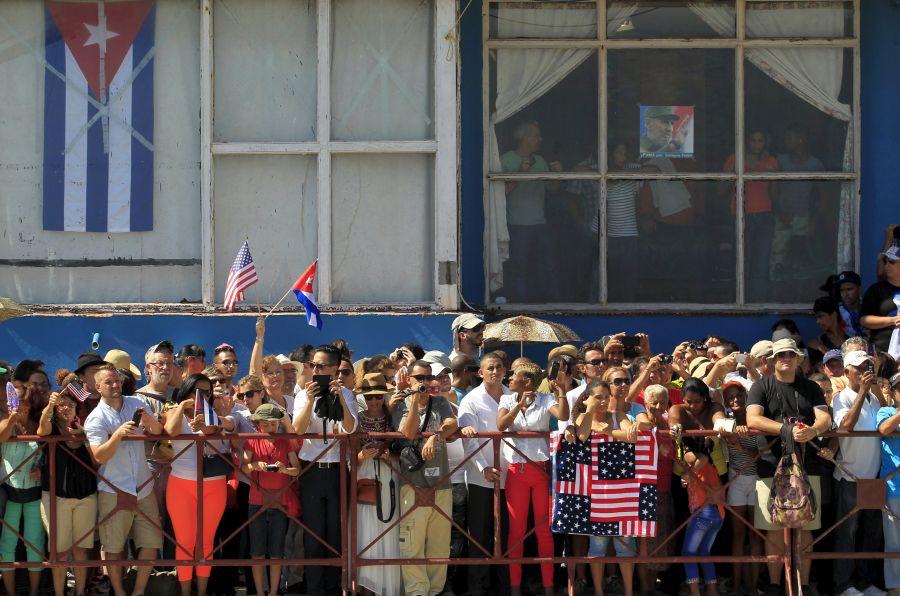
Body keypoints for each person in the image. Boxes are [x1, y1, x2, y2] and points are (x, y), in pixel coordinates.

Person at [746, 338, 832, 596]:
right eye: (781, 354)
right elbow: (753, 418)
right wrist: (787, 430)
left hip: (808, 465)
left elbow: (825, 417)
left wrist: (814, 430)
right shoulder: (761, 386)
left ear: (799, 359)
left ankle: (802, 585)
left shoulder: (812, 387)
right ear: (772, 360)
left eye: (791, 354)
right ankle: (775, 585)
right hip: (770, 465)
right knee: (772, 529)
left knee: (805, 529)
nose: (786, 358)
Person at [84, 364, 165, 596]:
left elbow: (158, 432)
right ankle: (119, 592)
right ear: (98, 387)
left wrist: (151, 423)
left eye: (117, 380)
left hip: (143, 486)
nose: (115, 385)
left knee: (151, 542)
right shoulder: (95, 418)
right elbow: (100, 456)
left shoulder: (136, 403)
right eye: (108, 382)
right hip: (114, 489)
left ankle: (138, 591)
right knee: (113, 547)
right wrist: (118, 435)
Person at [292, 344, 359, 596]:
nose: (314, 370)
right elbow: (297, 430)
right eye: (312, 365)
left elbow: (351, 428)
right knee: (313, 532)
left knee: (335, 532)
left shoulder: (347, 395)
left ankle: (334, 587)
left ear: (333, 369)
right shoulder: (302, 394)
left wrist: (340, 396)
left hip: (337, 469)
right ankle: (315, 588)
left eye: (320, 366)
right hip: (311, 468)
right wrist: (310, 400)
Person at [497, 361, 568, 596]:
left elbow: (563, 416)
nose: (508, 378)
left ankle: (548, 587)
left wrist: (562, 393)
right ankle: (515, 588)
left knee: (543, 530)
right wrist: (518, 405)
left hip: (541, 471)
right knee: (516, 531)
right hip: (516, 472)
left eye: (513, 375)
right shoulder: (507, 399)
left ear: (527, 381)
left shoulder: (546, 400)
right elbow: (501, 425)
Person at [163, 373, 236, 596]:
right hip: (181, 485)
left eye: (206, 392)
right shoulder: (171, 411)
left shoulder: (213, 413)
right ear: (186, 391)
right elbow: (171, 432)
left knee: (206, 543)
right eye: (197, 391)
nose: (202, 395)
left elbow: (212, 431)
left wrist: (205, 421)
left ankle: (202, 592)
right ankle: (186, 593)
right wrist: (182, 407)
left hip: (213, 485)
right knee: (184, 543)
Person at [393, 360, 459, 596]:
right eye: (419, 378)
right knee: (412, 544)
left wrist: (435, 435)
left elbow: (452, 423)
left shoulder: (440, 401)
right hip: (412, 483)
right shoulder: (399, 405)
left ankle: (434, 591)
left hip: (441, 483)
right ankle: (417, 592)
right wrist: (413, 402)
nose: (424, 382)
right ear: (409, 379)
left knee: (440, 546)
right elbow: (407, 434)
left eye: (427, 378)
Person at [573, 380, 637, 596]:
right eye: (597, 397)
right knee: (597, 544)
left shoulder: (618, 415)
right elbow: (582, 435)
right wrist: (590, 415)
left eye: (605, 396)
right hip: (596, 492)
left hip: (623, 489)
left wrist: (605, 431)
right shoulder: (583, 416)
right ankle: (599, 592)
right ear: (586, 398)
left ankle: (628, 591)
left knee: (625, 544)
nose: (602, 401)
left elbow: (632, 436)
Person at [832, 351, 887, 596]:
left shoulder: (874, 399)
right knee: (848, 532)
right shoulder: (841, 397)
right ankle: (844, 584)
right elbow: (845, 428)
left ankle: (866, 581)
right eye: (859, 367)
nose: (865, 370)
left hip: (874, 476)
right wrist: (863, 392)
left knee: (872, 531)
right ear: (846, 372)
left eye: (868, 365)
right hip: (850, 476)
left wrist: (874, 393)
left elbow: (886, 423)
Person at [458, 351, 512, 596]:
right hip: (481, 478)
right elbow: (469, 440)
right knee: (480, 536)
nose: (495, 371)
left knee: (506, 536)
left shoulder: (513, 396)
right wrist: (483, 468)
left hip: (511, 477)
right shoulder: (471, 400)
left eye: (499, 367)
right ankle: (477, 589)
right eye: (490, 367)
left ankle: (503, 587)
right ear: (480, 372)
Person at [37, 389, 98, 596]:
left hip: (85, 496)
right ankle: (59, 592)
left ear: (77, 408)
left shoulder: (85, 427)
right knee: (60, 551)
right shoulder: (52, 427)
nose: (66, 408)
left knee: (81, 549)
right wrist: (48, 408)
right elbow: (42, 431)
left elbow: (96, 460)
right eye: (61, 405)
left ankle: (80, 592)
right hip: (56, 497)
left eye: (70, 405)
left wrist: (84, 436)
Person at [240, 403, 300, 596]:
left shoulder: (285, 441)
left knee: (276, 552)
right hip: (256, 500)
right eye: (265, 425)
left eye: (273, 424)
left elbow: (297, 469)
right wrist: (256, 465)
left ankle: (273, 592)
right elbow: (243, 468)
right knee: (257, 551)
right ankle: (260, 592)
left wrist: (283, 469)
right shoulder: (252, 441)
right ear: (258, 424)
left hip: (279, 501)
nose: (269, 428)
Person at [500, 121, 562, 302]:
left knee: (547, 265)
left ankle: (552, 303)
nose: (540, 139)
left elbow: (552, 189)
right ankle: (520, 305)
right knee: (519, 267)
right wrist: (520, 174)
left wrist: (558, 174)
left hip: (540, 223)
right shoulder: (505, 160)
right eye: (536, 135)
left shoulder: (540, 160)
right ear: (524, 138)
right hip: (517, 224)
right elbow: (500, 192)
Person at [353, 373, 403, 596]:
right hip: (364, 475)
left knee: (388, 528)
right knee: (364, 530)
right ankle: (365, 588)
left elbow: (403, 450)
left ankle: (381, 588)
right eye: (370, 396)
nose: (374, 401)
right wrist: (363, 456)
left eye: (378, 396)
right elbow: (348, 455)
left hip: (389, 475)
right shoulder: (356, 418)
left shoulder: (394, 417)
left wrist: (389, 455)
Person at [723, 129, 779, 301]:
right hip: (741, 216)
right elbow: (722, 190)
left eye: (760, 140)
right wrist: (732, 174)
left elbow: (775, 194)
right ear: (747, 141)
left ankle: (757, 302)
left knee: (761, 263)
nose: (756, 144)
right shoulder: (734, 159)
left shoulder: (771, 162)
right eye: (753, 140)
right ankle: (739, 300)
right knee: (741, 261)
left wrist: (772, 176)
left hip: (764, 216)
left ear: (765, 142)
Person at [1, 386, 45, 596]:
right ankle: (10, 593)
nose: (14, 403)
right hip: (9, 494)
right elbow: (1, 435)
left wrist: (42, 471)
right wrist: (12, 418)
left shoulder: (39, 425)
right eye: (12, 400)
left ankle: (34, 592)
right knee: (7, 545)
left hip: (34, 495)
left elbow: (48, 455)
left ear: (29, 402)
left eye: (19, 400)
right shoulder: (4, 420)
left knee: (35, 545)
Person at [720, 379, 762, 596]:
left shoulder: (756, 421)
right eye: (730, 397)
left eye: (739, 396)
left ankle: (753, 587)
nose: (735, 400)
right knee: (737, 535)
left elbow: (761, 457)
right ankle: (737, 586)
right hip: (735, 481)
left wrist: (738, 445)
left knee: (754, 535)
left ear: (746, 397)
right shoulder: (725, 422)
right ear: (726, 402)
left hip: (756, 481)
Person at [633, 385, 675, 596]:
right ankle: (646, 588)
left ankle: (653, 586)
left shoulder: (668, 423)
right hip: (642, 490)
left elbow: (675, 454)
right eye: (654, 403)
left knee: (659, 541)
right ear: (645, 403)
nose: (658, 407)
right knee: (643, 543)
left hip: (664, 488)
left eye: (662, 403)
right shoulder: (638, 423)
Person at [770, 126, 824, 286]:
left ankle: (799, 292)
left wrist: (813, 219)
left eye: (789, 138)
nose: (786, 142)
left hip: (804, 216)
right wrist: (779, 212)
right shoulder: (780, 161)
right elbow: (773, 188)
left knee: (800, 257)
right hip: (783, 215)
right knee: (778, 255)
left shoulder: (815, 164)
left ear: (802, 139)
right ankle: (778, 291)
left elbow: (818, 195)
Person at [876, 373, 900, 596]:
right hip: (894, 486)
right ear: (893, 392)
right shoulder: (886, 411)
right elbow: (883, 429)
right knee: (893, 541)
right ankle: (895, 587)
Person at [861, 243, 900, 354]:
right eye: (885, 262)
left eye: (891, 262)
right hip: (882, 351)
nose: (886, 266)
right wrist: (892, 320)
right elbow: (864, 320)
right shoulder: (875, 290)